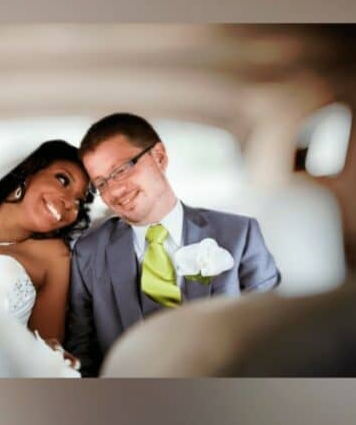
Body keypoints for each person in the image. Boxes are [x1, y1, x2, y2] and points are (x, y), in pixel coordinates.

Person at [65, 113, 281, 376]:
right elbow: (82, 356)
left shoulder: (239, 234)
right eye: (101, 183)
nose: (115, 191)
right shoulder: (89, 253)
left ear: (159, 156)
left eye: (121, 170)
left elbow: (272, 336)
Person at [0, 140, 92, 346]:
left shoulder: (53, 257)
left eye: (79, 201)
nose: (70, 203)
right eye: (63, 180)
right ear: (29, 170)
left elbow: (48, 351)